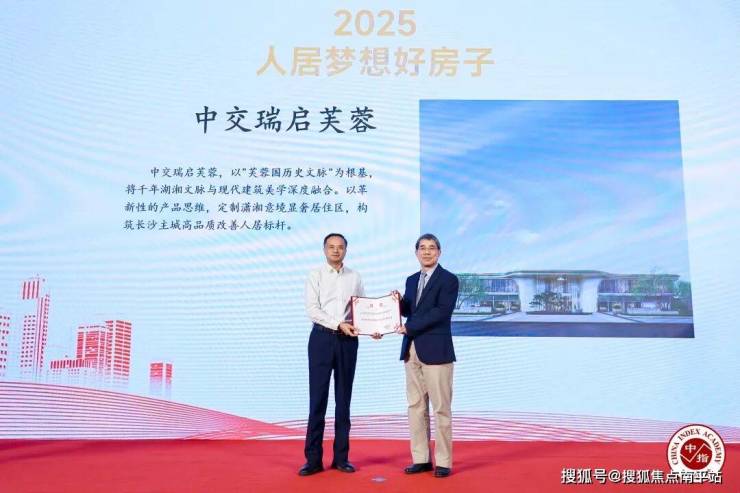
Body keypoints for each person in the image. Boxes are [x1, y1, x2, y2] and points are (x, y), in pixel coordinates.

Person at [299, 233, 364, 476]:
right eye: (331, 247)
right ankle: (313, 460)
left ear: (346, 250)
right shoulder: (315, 275)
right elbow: (312, 309)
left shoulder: (355, 276)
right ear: (324, 249)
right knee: (317, 400)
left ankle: (341, 458)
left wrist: (373, 327)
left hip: (348, 341)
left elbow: (361, 308)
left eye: (340, 247)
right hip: (321, 339)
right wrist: (338, 324)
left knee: (343, 400)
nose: (336, 250)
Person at [396, 233, 458, 478]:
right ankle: (421, 459)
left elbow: (441, 312)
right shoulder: (412, 279)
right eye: (422, 248)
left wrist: (409, 326)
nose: (427, 252)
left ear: (439, 252)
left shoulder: (449, 279)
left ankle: (443, 461)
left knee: (440, 408)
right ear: (416, 253)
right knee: (415, 407)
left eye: (432, 248)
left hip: (437, 351)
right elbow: (410, 310)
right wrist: (396, 304)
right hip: (412, 350)